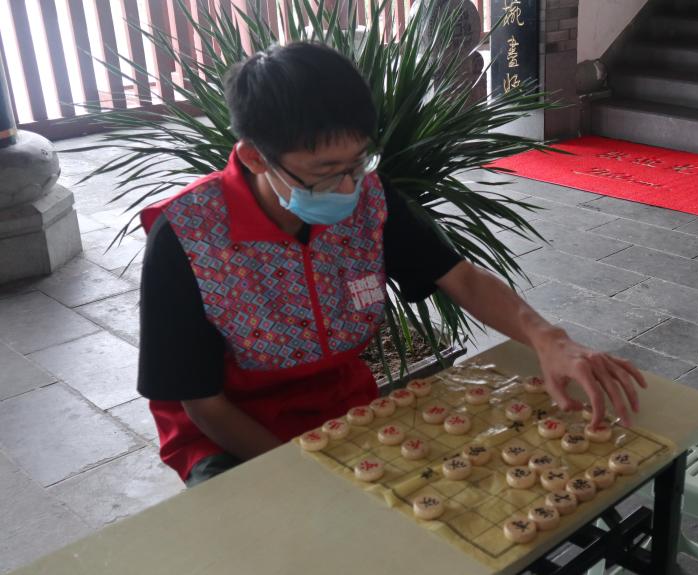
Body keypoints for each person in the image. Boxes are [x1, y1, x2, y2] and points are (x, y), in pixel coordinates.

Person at [137, 42, 646, 486]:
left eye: (357, 162)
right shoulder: (188, 235)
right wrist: (305, 473)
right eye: (325, 171)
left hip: (342, 404)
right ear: (254, 158)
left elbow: (461, 277)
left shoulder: (369, 200)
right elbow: (203, 404)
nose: (347, 187)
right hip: (231, 432)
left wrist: (547, 338)